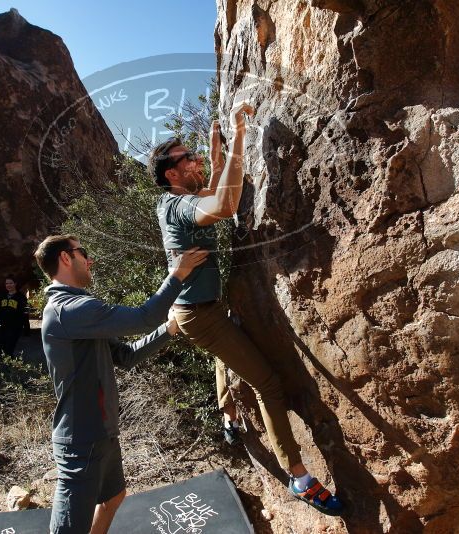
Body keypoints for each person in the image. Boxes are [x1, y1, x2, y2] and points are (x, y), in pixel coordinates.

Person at [148, 103, 344, 516]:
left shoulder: (171, 201)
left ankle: (227, 414)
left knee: (232, 351)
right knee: (268, 385)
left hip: (203, 310)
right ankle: (299, 478)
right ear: (172, 173)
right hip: (200, 315)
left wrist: (217, 158)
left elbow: (215, 191)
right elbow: (223, 204)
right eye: (189, 159)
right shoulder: (180, 206)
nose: (197, 160)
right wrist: (238, 137)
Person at [34, 234, 208, 534]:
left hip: (101, 431)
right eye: (83, 252)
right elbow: (142, 318)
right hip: (81, 439)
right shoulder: (68, 309)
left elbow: (126, 356)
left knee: (114, 496)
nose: (90, 261)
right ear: (65, 258)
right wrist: (177, 274)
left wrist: (168, 330)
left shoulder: (78, 312)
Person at [0, 275, 30, 357]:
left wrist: (27, 328)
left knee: (9, 349)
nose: (8, 285)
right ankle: (1, 367)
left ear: (15, 284)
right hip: (3, 326)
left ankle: (9, 367)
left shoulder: (21, 298)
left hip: (15, 327)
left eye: (11, 283)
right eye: (7, 283)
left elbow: (25, 313)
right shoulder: (2, 297)